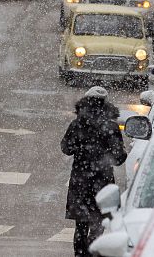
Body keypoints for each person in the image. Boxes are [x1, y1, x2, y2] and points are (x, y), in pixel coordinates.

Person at [61, 86, 126, 257]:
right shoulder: (111, 127)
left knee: (81, 225)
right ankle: (93, 250)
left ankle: (80, 253)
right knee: (98, 223)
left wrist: (80, 147)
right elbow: (119, 158)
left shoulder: (77, 124)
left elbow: (66, 148)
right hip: (102, 183)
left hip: (80, 182)